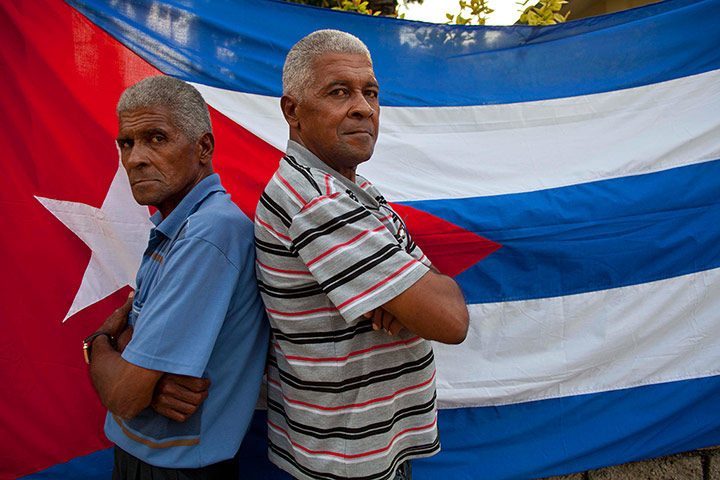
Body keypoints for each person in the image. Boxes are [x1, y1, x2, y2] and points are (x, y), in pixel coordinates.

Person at [254, 30, 469, 480]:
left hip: (366, 443)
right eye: (339, 92)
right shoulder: (317, 201)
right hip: (348, 459)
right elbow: (451, 319)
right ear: (292, 111)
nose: (364, 108)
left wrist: (406, 294)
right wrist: (412, 295)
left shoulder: (352, 188)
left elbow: (432, 288)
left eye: (371, 93)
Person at [83, 75, 269, 479]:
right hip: (155, 457)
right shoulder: (177, 225)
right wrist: (137, 365)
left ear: (204, 147)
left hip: (173, 467)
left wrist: (99, 342)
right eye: (126, 143)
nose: (135, 159)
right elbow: (136, 378)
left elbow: (125, 395)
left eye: (156, 138)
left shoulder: (209, 232)